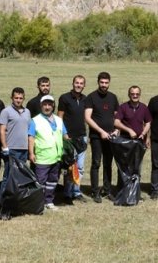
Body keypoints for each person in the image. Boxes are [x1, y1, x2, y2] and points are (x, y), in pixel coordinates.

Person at [83, 71, 119, 203]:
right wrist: (100, 131)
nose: (104, 85)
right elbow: (87, 117)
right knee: (96, 163)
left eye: (106, 83)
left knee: (108, 164)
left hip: (110, 136)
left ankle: (107, 190)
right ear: (98, 82)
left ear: (109, 83)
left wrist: (116, 130)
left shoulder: (113, 97)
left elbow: (117, 117)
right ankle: (94, 191)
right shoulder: (91, 97)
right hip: (97, 136)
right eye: (102, 82)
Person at [29, 95, 69, 211]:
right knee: (41, 181)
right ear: (41, 106)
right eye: (45, 105)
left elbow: (65, 135)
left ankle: (49, 201)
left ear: (53, 106)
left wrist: (70, 149)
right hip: (42, 157)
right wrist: (31, 153)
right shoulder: (35, 120)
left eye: (49, 105)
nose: (47, 107)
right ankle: (39, 202)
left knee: (53, 181)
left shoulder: (59, 120)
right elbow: (31, 138)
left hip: (56, 157)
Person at [113, 85, 152, 191]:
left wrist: (144, 134)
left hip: (139, 143)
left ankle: (134, 192)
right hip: (125, 142)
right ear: (129, 94)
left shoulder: (144, 107)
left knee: (137, 168)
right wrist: (129, 130)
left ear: (140, 94)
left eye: (137, 94)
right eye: (132, 94)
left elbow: (148, 122)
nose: (135, 96)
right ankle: (122, 191)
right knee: (124, 168)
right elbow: (116, 122)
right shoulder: (123, 107)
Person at [58, 74, 88, 202]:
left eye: (81, 83)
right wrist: (64, 135)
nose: (79, 85)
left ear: (84, 85)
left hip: (82, 137)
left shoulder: (86, 99)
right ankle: (67, 193)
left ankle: (76, 191)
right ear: (73, 83)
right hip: (69, 137)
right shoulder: (64, 98)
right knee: (70, 167)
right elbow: (59, 118)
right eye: (77, 83)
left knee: (80, 167)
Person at [0, 87, 32, 194]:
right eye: (16, 98)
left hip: (24, 149)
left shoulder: (27, 112)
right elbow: (2, 130)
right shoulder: (6, 111)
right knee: (9, 175)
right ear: (12, 98)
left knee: (21, 175)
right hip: (12, 149)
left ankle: (17, 198)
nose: (18, 100)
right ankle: (3, 200)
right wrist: (5, 146)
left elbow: (28, 130)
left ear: (23, 99)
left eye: (20, 98)